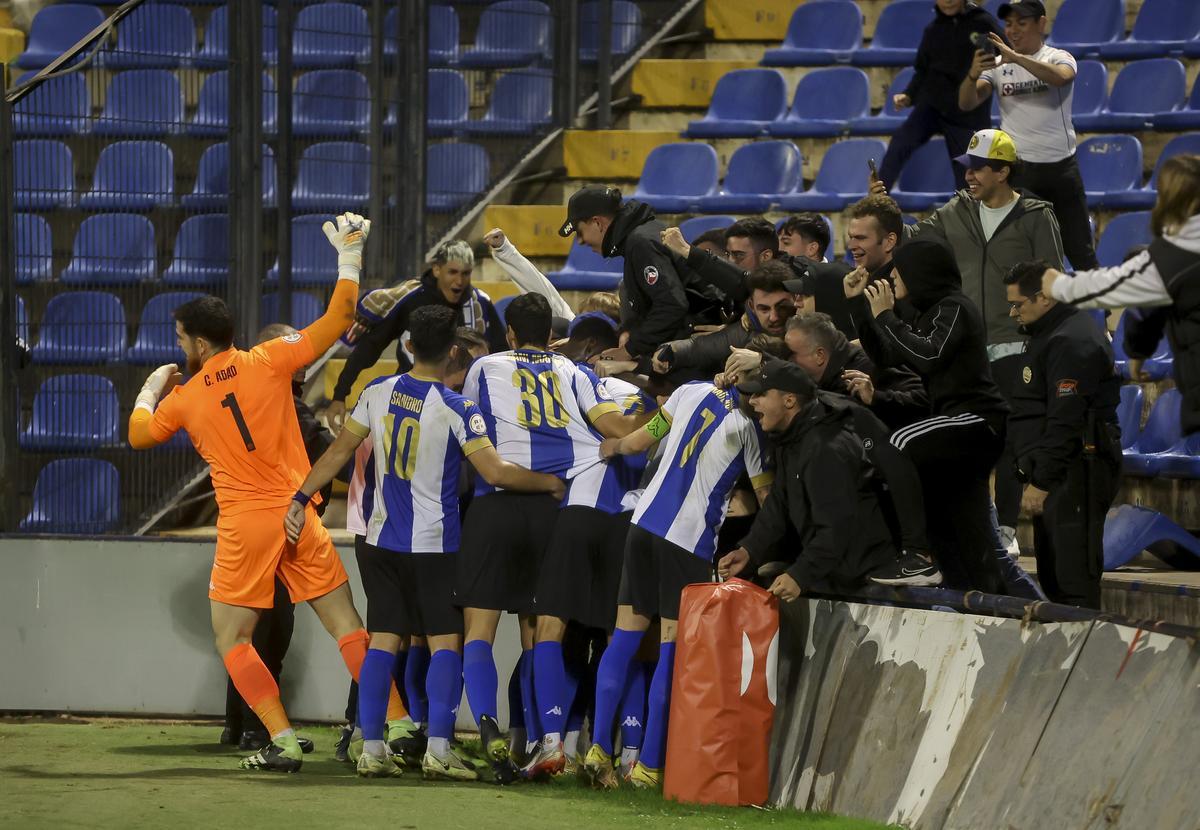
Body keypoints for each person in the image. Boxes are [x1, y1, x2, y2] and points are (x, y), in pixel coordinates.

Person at [128, 213, 408, 773]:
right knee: (348, 627)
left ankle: (280, 740)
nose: (179, 345)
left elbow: (139, 435)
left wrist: (151, 387)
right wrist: (348, 259)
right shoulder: (272, 360)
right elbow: (340, 317)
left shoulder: (183, 399)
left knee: (233, 639)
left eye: (181, 339)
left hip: (246, 525)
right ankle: (398, 725)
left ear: (200, 343)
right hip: (298, 511)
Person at [286, 306, 565, 779]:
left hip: (379, 539)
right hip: (435, 544)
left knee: (383, 641)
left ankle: (372, 748)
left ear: (410, 345)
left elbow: (338, 451)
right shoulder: (459, 408)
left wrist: (300, 497)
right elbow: (496, 472)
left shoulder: (377, 391)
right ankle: (439, 747)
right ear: (455, 351)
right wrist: (549, 483)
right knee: (445, 644)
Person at [455, 293, 643, 782]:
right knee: (540, 632)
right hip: (558, 504)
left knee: (479, 628)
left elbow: (471, 427)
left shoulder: (485, 366)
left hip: (497, 502)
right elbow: (615, 428)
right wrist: (664, 414)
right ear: (552, 333)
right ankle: (547, 741)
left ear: (510, 334)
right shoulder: (577, 373)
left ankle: (493, 730)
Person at [582, 379, 773, 790]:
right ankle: (649, 767)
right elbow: (765, 497)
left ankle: (598, 748)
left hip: (642, 526)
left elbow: (641, 440)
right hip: (687, 543)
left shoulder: (692, 390)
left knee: (623, 641)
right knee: (671, 650)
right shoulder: (750, 427)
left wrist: (613, 447)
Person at [897, 127, 1066, 552]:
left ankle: (1005, 527)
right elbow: (913, 237)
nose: (969, 175)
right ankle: (972, 525)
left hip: (1017, 341)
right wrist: (887, 211)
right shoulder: (955, 212)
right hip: (967, 344)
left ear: (1003, 171)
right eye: (968, 167)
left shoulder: (1035, 214)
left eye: (979, 168)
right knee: (973, 438)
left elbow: (1053, 279)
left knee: (1012, 439)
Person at [523, 313, 657, 779]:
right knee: (622, 640)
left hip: (579, 511)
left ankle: (553, 743)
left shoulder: (575, 380)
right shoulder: (661, 400)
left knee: (550, 628)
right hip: (628, 520)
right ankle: (629, 757)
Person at [845, 237, 1011, 593]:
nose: (892, 280)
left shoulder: (954, 308)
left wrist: (886, 316)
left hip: (978, 420)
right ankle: (990, 602)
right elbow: (888, 356)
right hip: (955, 425)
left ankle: (917, 555)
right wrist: (859, 307)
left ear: (921, 274)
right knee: (967, 532)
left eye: (899, 273)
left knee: (898, 443)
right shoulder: (927, 313)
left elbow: (929, 356)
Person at [221, 323, 337, 752]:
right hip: (277, 532)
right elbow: (331, 454)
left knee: (243, 633)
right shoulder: (288, 406)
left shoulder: (235, 398)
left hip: (240, 528)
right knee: (272, 633)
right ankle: (261, 729)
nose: (302, 359)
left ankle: (236, 725)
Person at [717, 361, 912, 595]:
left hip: (867, 579)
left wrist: (801, 574)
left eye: (761, 394)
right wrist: (749, 550)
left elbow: (838, 526)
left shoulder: (825, 446)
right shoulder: (791, 438)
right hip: (836, 570)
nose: (752, 402)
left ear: (789, 401)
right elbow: (778, 503)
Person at [1041, 154, 1200, 435]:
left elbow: (1109, 286)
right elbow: (1149, 310)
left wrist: (1056, 284)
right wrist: (1139, 351)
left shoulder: (1171, 256)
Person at [1004, 262, 1121, 607]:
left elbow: (1066, 421)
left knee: (1072, 579)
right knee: (1054, 574)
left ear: (1044, 299)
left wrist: (1042, 481)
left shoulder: (1071, 341)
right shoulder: (1050, 334)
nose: (1013, 313)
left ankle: (1084, 654)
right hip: (1060, 472)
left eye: (1018, 304)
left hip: (1077, 470)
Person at [958, 0, 1099, 270]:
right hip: (1020, 172)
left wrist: (1016, 58)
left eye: (1021, 23)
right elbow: (967, 102)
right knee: (1023, 255)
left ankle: (1097, 312)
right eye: (1009, 24)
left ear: (1041, 24)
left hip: (1061, 170)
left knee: (1080, 251)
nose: (1013, 30)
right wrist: (971, 75)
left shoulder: (1058, 56)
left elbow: (1061, 78)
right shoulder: (998, 66)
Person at [327, 240, 506, 429]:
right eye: (453, 272)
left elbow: (501, 356)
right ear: (437, 270)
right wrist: (339, 395)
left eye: (466, 273)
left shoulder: (480, 304)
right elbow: (369, 348)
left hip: (465, 407)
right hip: (409, 401)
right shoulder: (409, 298)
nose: (459, 281)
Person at [558, 184, 720, 366]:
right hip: (687, 340)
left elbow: (672, 305)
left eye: (579, 232)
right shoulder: (639, 236)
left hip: (699, 347)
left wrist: (629, 351)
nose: (580, 241)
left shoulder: (641, 242)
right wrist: (628, 333)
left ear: (598, 222)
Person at [880, 0, 1004, 191]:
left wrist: (992, 67)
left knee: (970, 175)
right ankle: (876, 202)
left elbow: (1007, 52)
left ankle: (970, 216)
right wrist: (909, 95)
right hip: (933, 106)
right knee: (899, 143)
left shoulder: (983, 22)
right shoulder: (933, 29)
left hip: (968, 111)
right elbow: (922, 70)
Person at [651, 260, 796, 378]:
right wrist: (670, 350)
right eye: (764, 309)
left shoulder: (810, 325)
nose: (774, 317)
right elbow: (700, 347)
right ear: (752, 306)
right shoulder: (747, 328)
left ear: (796, 298)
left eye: (782, 307)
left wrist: (761, 360)